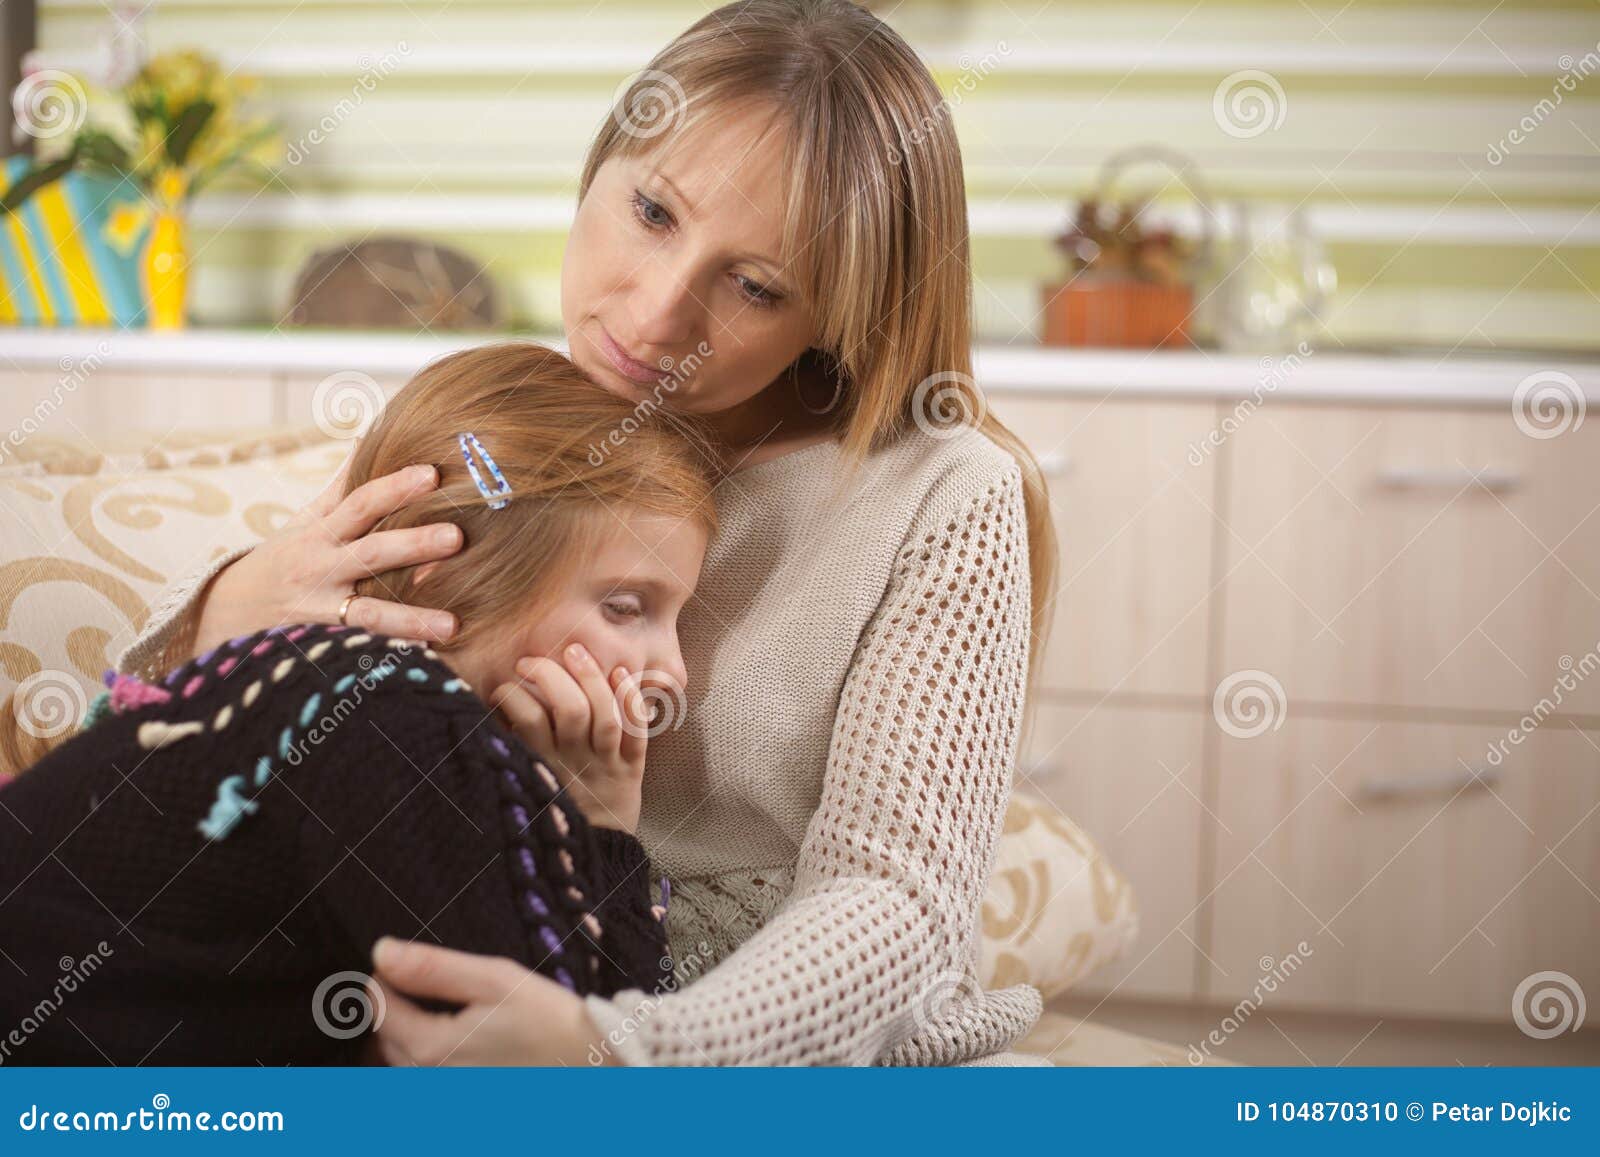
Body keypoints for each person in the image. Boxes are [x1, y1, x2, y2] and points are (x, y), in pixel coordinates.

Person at [111, 0, 1060, 1066]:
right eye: (652, 212)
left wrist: (614, 1052)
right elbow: (208, 717)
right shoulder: (518, 418)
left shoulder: (942, 493)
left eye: (753, 285)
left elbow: (899, 903)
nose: (656, 315)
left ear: (842, 313)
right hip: (471, 962)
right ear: (599, 165)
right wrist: (233, 604)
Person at [0, 343, 714, 1065]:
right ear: (442, 567)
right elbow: (576, 1085)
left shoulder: (308, 680)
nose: (673, 673)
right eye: (627, 606)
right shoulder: (404, 729)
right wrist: (602, 827)